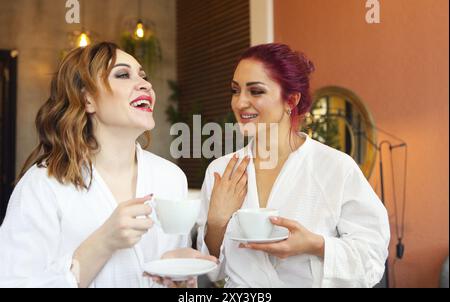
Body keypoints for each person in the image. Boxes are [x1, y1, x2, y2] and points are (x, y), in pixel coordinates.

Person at [0, 42, 214, 288]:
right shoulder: (43, 184)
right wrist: (103, 242)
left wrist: (179, 276)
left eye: (143, 76)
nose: (146, 84)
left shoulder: (170, 177)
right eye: (123, 75)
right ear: (88, 99)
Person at [197, 43, 390, 288]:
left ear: (291, 100)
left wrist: (315, 245)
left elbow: (371, 259)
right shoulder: (221, 170)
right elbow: (213, 271)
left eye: (255, 91)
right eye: (235, 91)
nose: (239, 102)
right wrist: (216, 222)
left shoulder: (336, 168)